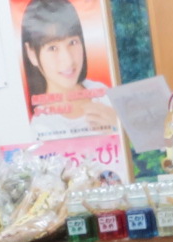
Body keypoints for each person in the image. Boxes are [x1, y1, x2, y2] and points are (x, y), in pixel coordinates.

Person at [19, 0, 118, 138]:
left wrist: (117, 124)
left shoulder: (101, 91)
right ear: (31, 53)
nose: (68, 60)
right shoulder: (41, 126)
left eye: (73, 42)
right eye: (52, 48)